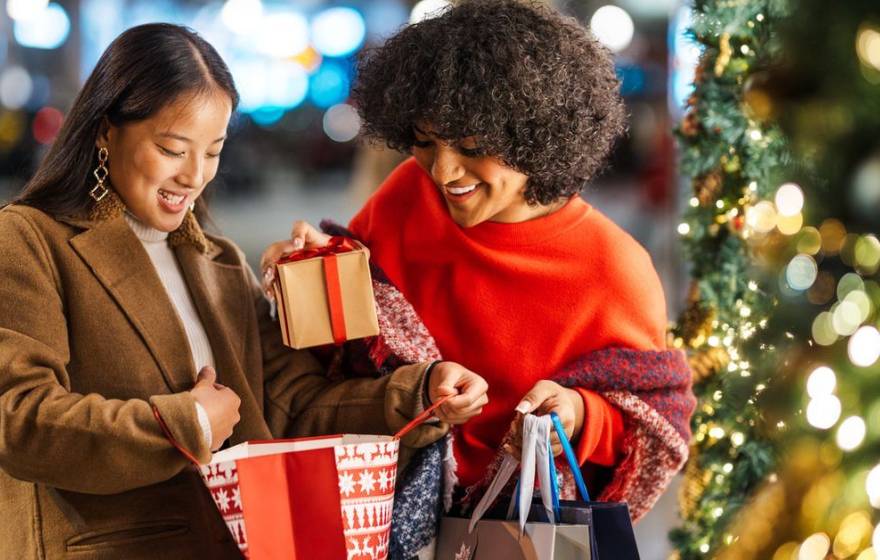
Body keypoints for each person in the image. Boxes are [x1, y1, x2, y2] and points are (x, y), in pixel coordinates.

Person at [0, 23, 487, 559]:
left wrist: (420, 392)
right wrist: (185, 424)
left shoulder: (217, 261)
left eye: (212, 152)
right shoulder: (30, 240)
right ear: (105, 131)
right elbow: (20, 420)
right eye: (171, 148)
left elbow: (295, 408)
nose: (194, 176)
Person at [262, 1, 695, 556]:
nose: (443, 172)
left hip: (519, 538)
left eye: (470, 148)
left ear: (536, 135)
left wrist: (580, 414)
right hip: (380, 527)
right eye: (424, 142)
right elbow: (340, 355)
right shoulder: (404, 198)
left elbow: (652, 428)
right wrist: (311, 272)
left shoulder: (614, 270)